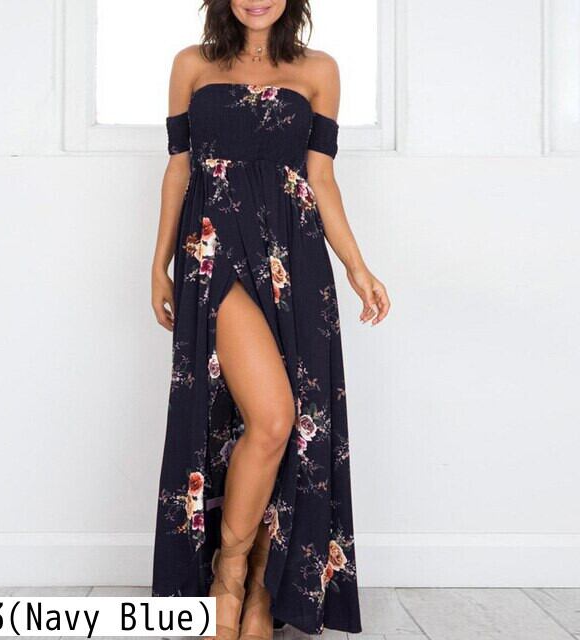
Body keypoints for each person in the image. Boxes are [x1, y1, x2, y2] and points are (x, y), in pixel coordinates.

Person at [150, 0, 390, 636]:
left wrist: (356, 267)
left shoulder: (319, 70)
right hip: (214, 253)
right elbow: (179, 169)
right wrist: (158, 264)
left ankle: (261, 586)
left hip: (295, 262)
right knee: (274, 416)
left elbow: (320, 178)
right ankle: (227, 573)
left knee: (290, 430)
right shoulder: (192, 64)